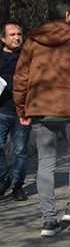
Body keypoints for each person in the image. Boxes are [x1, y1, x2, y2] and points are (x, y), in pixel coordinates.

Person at [15, 0, 70, 237]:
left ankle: (48, 220)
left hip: (41, 109)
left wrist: (21, 108)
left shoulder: (32, 41)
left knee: (45, 162)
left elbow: (21, 77)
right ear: (68, 16)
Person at [0, 21, 28, 202]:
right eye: (12, 35)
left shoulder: (28, 56)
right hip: (1, 110)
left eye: (19, 34)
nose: (17, 38)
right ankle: (4, 180)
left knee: (20, 151)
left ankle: (18, 186)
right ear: (2, 38)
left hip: (22, 111)